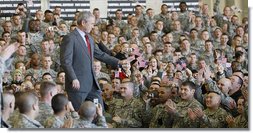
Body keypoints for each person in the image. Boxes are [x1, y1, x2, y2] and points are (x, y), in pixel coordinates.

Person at [60, 11, 124, 111]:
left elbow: (100, 54)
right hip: (77, 85)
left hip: (92, 85)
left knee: (99, 111)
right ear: (83, 23)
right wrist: (73, 78)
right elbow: (65, 61)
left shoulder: (89, 38)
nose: (93, 27)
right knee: (78, 114)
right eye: (92, 23)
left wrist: (118, 62)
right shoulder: (70, 38)